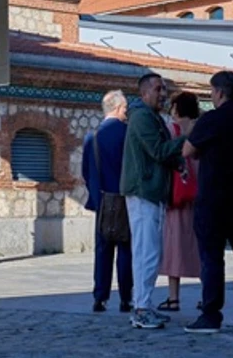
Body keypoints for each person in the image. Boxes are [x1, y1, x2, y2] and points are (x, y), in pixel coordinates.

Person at [182, 70, 233, 334]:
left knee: (212, 258)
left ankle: (211, 315)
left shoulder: (212, 119)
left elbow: (188, 150)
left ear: (218, 92)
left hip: (214, 199)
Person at [119, 73, 186, 330]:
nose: (163, 94)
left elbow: (160, 153)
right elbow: (157, 150)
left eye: (165, 89)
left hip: (151, 190)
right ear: (145, 92)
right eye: (158, 89)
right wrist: (186, 139)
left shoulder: (151, 117)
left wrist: (178, 162)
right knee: (147, 252)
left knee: (148, 252)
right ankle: (142, 308)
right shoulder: (143, 118)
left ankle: (143, 304)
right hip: (144, 190)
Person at [80, 89, 133, 314]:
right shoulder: (128, 134)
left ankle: (99, 298)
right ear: (120, 108)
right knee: (125, 249)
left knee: (102, 250)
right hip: (125, 200)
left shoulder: (91, 137)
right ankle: (125, 298)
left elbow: (85, 171)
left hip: (102, 201)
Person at [159, 92, 202, 312]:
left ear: (176, 109)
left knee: (173, 246)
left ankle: (173, 298)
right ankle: (207, 294)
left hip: (177, 196)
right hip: (200, 196)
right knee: (201, 247)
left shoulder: (171, 130)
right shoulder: (202, 128)